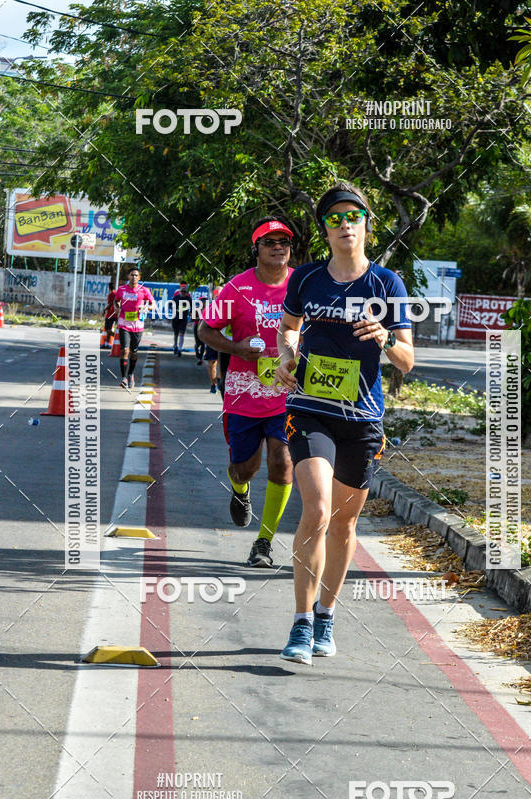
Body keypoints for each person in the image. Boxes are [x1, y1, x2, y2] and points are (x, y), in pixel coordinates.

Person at [274, 182, 414, 664]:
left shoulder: (387, 284)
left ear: (367, 225)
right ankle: (300, 620)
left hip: (362, 416)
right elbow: (289, 329)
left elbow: (408, 360)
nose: (345, 224)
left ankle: (327, 614)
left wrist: (383, 339)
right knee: (315, 508)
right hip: (311, 407)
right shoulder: (307, 278)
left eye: (354, 216)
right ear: (326, 229)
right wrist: (285, 354)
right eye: (335, 218)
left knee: (344, 522)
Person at [199, 217, 295, 567]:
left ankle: (264, 542)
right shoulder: (236, 288)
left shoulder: (300, 285)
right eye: (270, 242)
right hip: (243, 391)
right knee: (245, 466)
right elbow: (205, 331)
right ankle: (240, 490)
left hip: (287, 392)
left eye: (283, 241)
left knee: (282, 463)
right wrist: (237, 348)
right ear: (256, 248)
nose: (278, 247)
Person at [114, 267, 155, 389]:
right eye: (132, 275)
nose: (134, 277)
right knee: (124, 350)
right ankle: (124, 378)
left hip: (137, 325)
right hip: (124, 323)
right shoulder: (121, 289)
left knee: (134, 352)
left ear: (139, 277)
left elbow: (153, 304)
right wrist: (117, 307)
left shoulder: (144, 290)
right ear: (128, 276)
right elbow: (116, 301)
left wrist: (147, 308)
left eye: (136, 275)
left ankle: (131, 373)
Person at [171, 281, 191, 356]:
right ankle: (175, 346)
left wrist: (191, 313)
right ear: (179, 291)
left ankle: (180, 349)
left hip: (183, 319)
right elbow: (170, 305)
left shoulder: (188, 299)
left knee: (182, 333)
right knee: (176, 334)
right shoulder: (176, 298)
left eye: (184, 292)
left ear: (186, 292)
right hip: (175, 318)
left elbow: (192, 307)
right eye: (182, 291)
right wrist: (174, 309)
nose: (183, 293)